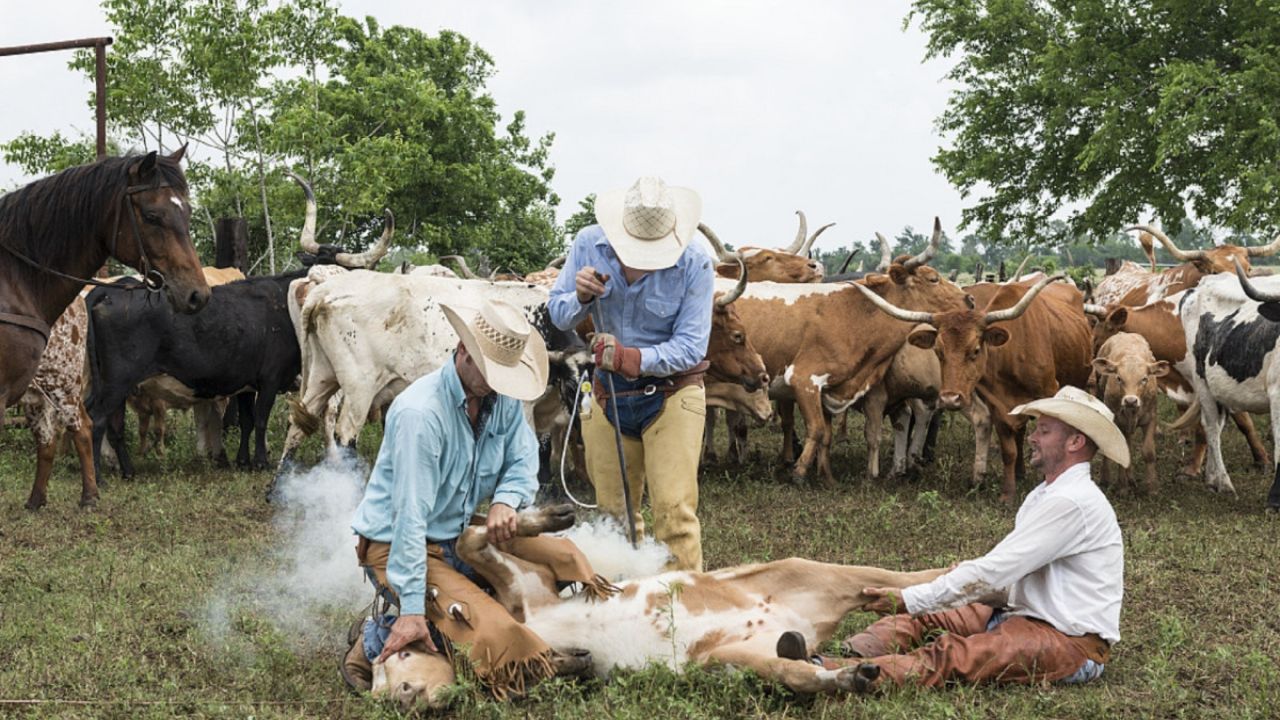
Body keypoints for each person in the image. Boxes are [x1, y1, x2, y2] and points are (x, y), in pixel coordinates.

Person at [777, 386, 1127, 691]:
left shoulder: (1070, 501)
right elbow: (1006, 573)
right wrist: (945, 589)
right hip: (1019, 613)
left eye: (1045, 431)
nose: (1033, 437)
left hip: (1069, 643)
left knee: (953, 654)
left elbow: (994, 571)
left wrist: (911, 596)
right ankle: (845, 653)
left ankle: (829, 672)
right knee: (928, 617)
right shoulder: (1048, 494)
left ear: (1075, 442)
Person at [342, 299, 596, 699]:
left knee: (562, 558)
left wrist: (505, 502)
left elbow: (523, 459)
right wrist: (411, 609)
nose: (497, 383)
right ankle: (376, 639)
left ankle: (460, 608)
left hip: (456, 532)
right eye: (491, 372)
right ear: (463, 351)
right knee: (492, 626)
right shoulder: (420, 415)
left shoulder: (503, 399)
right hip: (397, 545)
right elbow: (409, 517)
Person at [548, 176, 715, 571]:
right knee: (612, 516)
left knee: (674, 514)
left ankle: (681, 617)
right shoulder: (589, 243)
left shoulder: (695, 263)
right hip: (608, 394)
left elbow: (692, 347)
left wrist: (628, 358)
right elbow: (558, 312)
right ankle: (623, 610)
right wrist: (582, 297)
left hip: (673, 394)